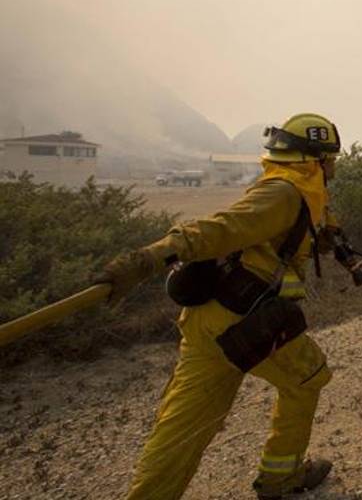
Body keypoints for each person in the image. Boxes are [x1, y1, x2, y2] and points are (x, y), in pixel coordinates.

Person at [94, 113, 347, 500]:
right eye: (330, 158)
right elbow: (219, 229)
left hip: (208, 320)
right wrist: (147, 259)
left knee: (183, 427)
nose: (333, 167)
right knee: (306, 378)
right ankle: (281, 478)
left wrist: (323, 239)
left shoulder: (292, 190)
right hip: (242, 319)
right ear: (314, 160)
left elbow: (276, 236)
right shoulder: (283, 193)